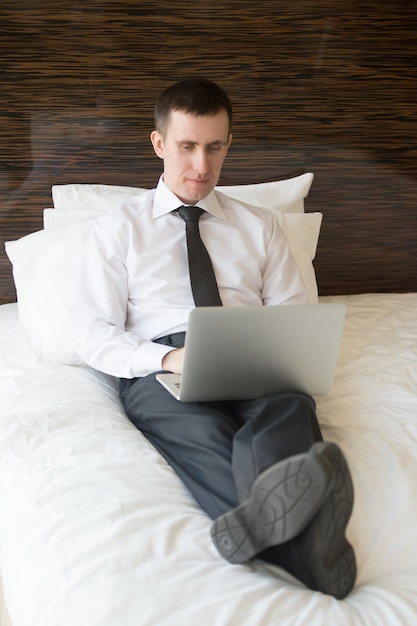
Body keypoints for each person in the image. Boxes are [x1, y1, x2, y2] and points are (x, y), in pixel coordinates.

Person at [70, 77, 356, 599]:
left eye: (215, 146)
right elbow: (91, 331)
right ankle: (308, 548)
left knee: (289, 409)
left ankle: (263, 529)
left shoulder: (260, 226)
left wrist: (282, 355)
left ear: (228, 143)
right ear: (159, 144)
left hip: (252, 346)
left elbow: (294, 313)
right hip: (165, 359)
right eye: (186, 146)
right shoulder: (118, 228)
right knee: (198, 433)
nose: (201, 165)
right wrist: (172, 356)